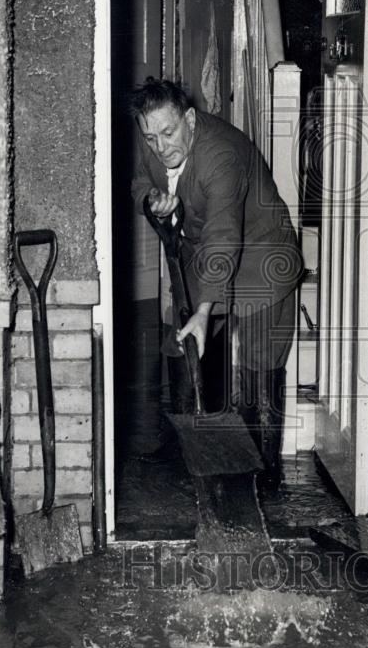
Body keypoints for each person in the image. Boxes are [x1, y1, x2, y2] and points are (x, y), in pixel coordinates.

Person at [129, 77, 303, 493]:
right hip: (203, 252)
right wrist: (152, 200)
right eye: (151, 137)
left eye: (168, 133)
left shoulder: (221, 154)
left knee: (260, 361)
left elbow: (224, 233)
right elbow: (139, 181)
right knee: (180, 339)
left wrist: (206, 311)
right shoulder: (153, 136)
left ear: (189, 119)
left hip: (263, 258)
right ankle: (190, 455)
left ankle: (264, 474)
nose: (160, 145)